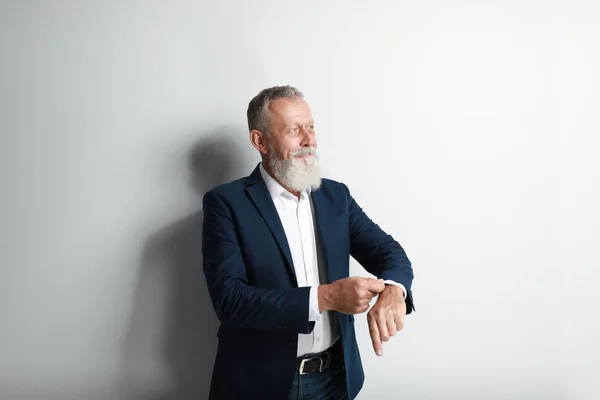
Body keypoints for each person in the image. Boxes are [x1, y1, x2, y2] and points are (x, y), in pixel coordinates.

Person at [202, 85, 415, 400]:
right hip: (259, 385)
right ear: (260, 141)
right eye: (293, 130)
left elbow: (388, 252)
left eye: (311, 127)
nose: (308, 140)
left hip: (335, 380)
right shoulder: (226, 203)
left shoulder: (335, 196)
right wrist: (326, 298)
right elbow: (230, 301)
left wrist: (395, 290)